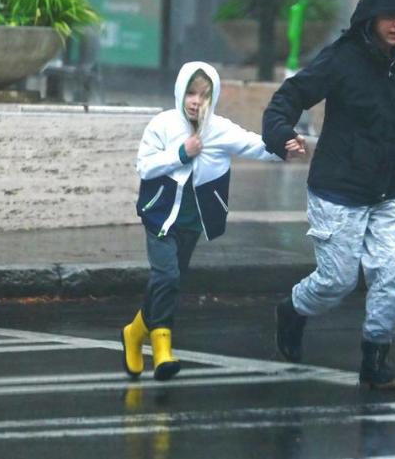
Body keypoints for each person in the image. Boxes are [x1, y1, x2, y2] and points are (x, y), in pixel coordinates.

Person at [262, 0, 395, 390]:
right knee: (338, 280)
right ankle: (293, 309)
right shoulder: (343, 57)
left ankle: (375, 363)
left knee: (391, 275)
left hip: (388, 189)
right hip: (338, 187)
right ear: (371, 18)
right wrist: (279, 132)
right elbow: (291, 94)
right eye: (389, 16)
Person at [122, 61, 300, 381]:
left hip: (192, 222)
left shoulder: (218, 129)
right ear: (180, 92)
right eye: (190, 93)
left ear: (213, 98)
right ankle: (162, 348)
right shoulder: (162, 124)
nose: (195, 101)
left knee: (168, 281)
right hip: (160, 216)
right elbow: (145, 167)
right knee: (167, 277)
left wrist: (285, 148)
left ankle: (135, 332)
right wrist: (181, 152)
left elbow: (255, 145)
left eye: (203, 96)